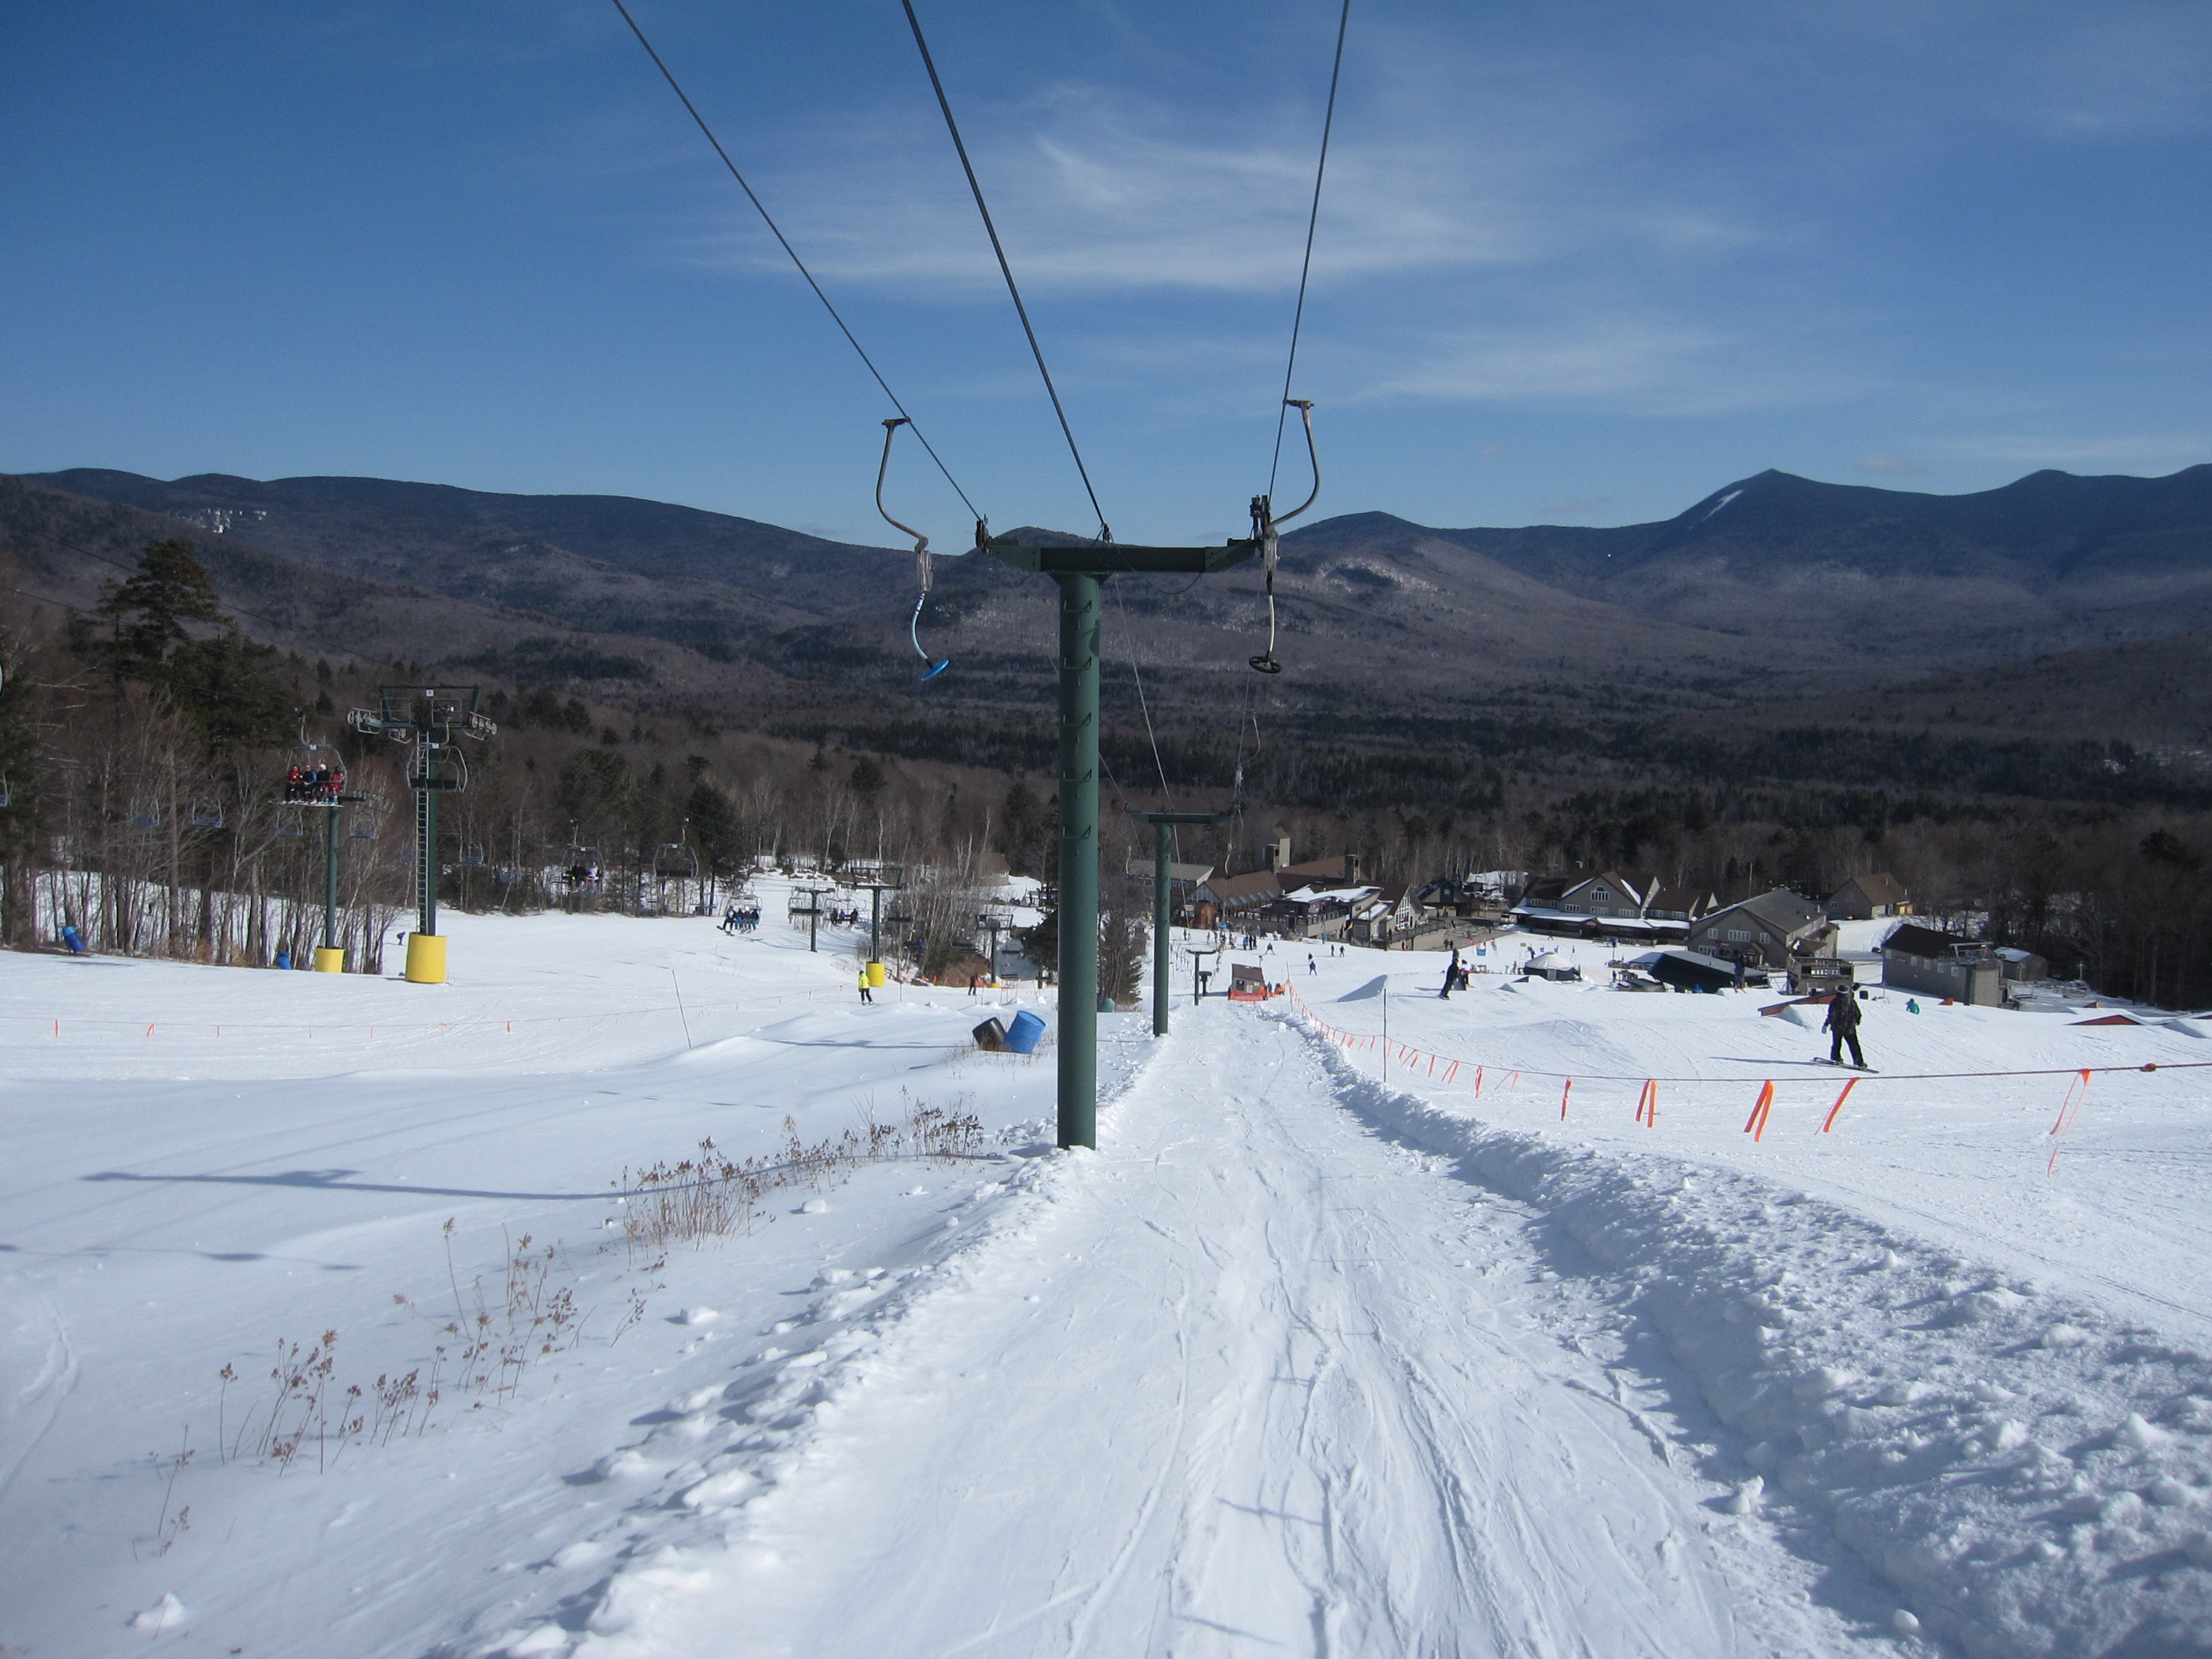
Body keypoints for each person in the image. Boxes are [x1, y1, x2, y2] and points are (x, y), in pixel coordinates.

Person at [1824, 986, 1866, 1068]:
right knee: (1854, 1046)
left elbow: (1832, 1015)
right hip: (1850, 1028)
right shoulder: (1852, 1001)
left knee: (1837, 1044)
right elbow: (1857, 1013)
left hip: (1837, 1027)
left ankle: (1836, 1058)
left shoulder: (1835, 1002)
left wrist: (1826, 1024)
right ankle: (1859, 1062)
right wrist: (1857, 1021)